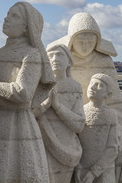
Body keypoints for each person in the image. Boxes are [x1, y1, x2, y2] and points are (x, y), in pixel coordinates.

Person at [0, 2, 55, 182]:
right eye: (7, 14)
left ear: (27, 26)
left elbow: (23, 93)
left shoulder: (31, 54)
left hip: (19, 123)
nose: (6, 18)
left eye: (14, 16)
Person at [48, 12, 122, 180]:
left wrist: (117, 125)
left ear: (97, 41)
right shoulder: (60, 58)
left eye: (90, 41)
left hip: (99, 121)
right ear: (71, 40)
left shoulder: (104, 62)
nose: (85, 46)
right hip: (65, 120)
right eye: (80, 41)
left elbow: (115, 101)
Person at [35, 44, 85, 183]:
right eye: (50, 55)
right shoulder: (39, 85)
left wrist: (57, 107)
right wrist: (45, 106)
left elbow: (79, 124)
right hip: (41, 144)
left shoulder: (74, 87)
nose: (55, 58)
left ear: (69, 61)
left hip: (66, 148)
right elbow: (27, 115)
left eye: (60, 54)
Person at [75, 73, 119, 183]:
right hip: (81, 170)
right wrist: (77, 166)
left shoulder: (111, 115)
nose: (92, 87)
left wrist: (94, 172)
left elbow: (112, 149)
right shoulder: (81, 111)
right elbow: (74, 141)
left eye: (99, 85)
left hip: (102, 172)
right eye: (91, 83)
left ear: (107, 94)